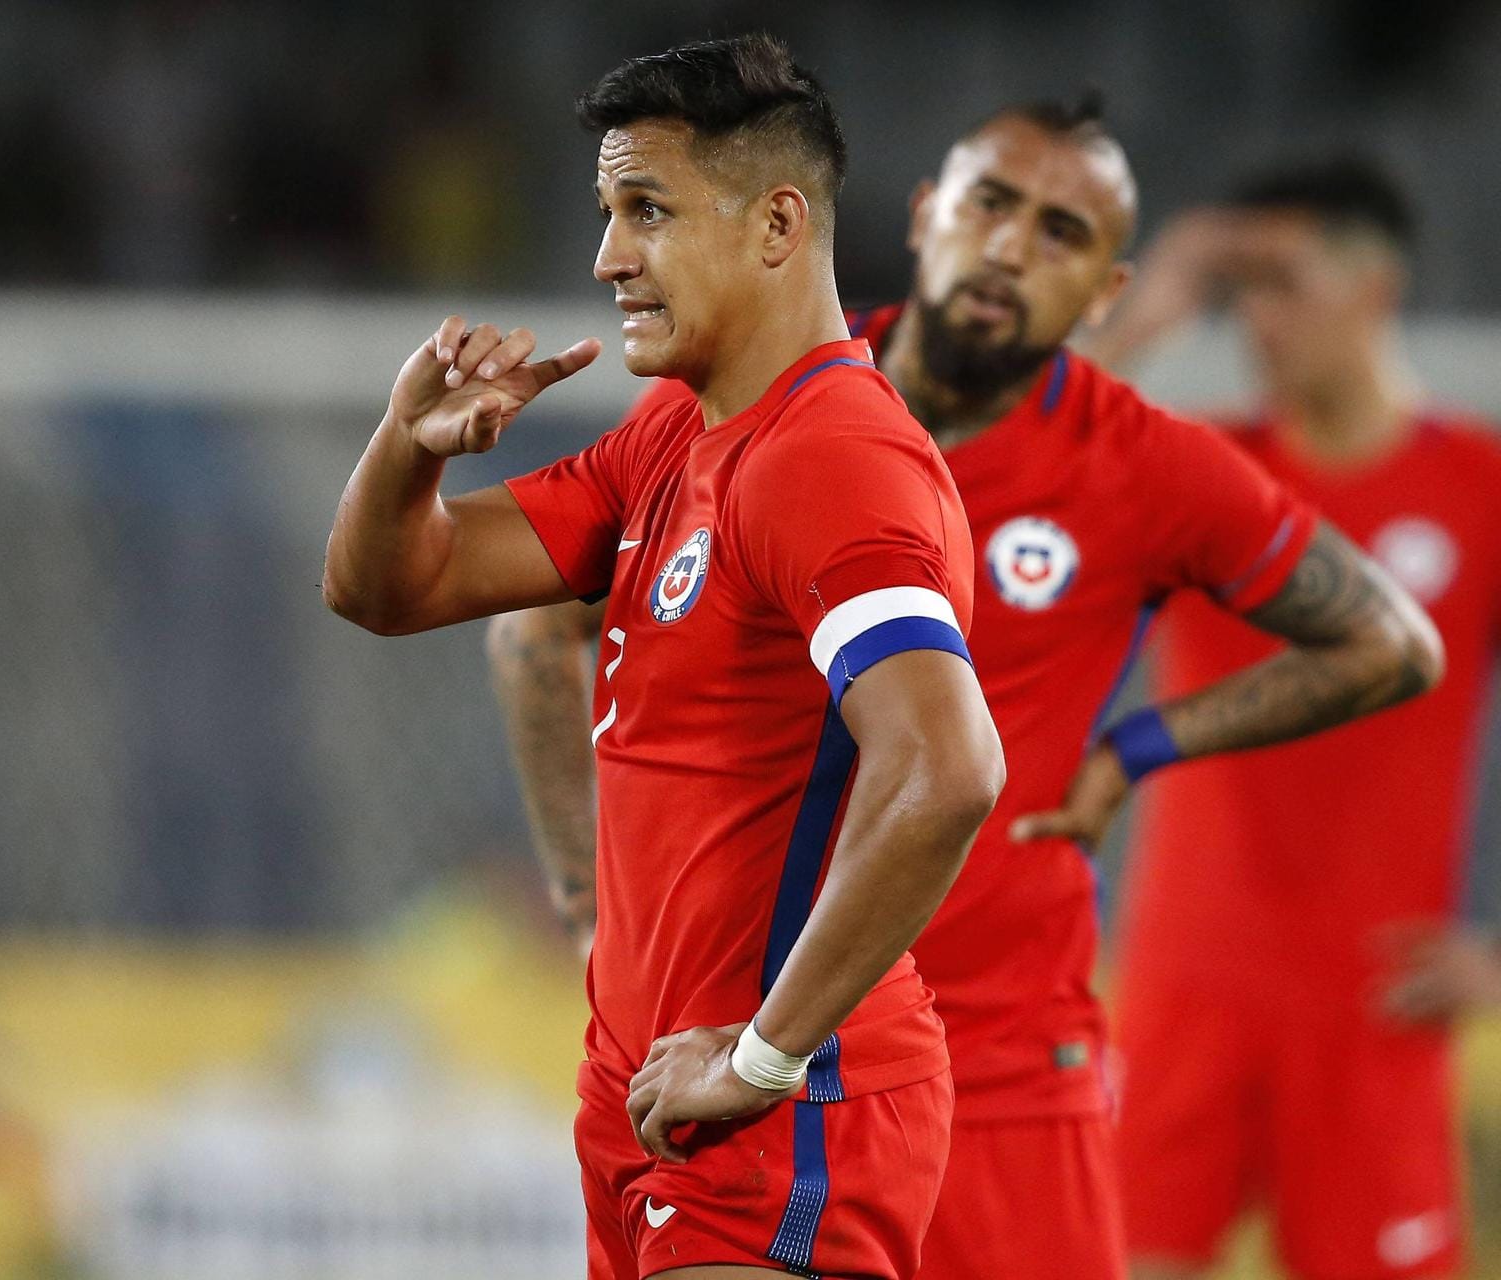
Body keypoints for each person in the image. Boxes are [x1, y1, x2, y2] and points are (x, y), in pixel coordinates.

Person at [487, 101, 1446, 1280]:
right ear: (930, 215)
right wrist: (590, 905)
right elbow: (538, 622)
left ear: (1105, 293)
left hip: (1001, 1075)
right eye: (992, 206)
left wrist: (1136, 748)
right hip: (766, 1056)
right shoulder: (744, 399)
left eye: (1061, 233)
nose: (1011, 249)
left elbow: (1393, 644)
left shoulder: (1142, 462)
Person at [327, 35, 1008, 1280]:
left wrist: (763, 1054)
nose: (607, 259)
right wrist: (408, 445)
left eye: (647, 210)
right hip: (653, 1098)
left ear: (776, 225)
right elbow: (388, 585)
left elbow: (948, 766)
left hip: (779, 1110)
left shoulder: (834, 457)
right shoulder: (674, 438)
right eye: (606, 212)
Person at [1089, 157, 1501, 1280]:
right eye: (1243, 287)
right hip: (1185, 989)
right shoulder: (1204, 471)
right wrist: (1151, 305)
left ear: (1376, 287)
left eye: (1285, 279)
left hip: (1374, 1008)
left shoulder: (1479, 483)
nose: (1259, 317)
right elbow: (985, 474)